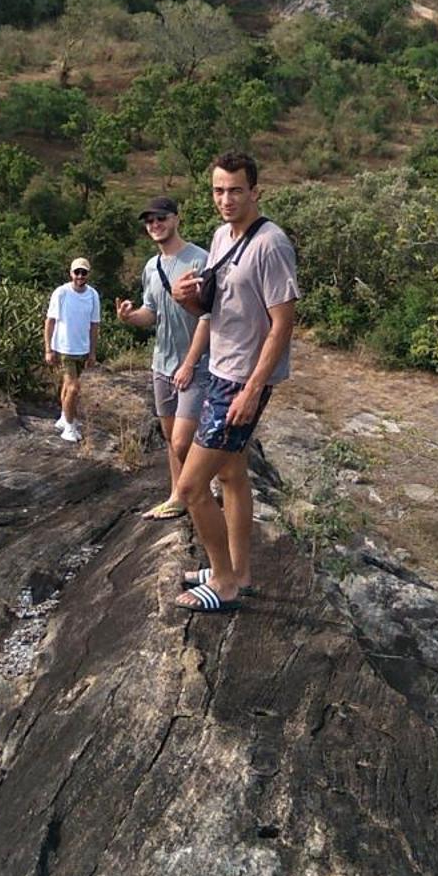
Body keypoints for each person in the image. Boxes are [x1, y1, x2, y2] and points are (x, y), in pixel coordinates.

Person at [171, 152, 298, 611]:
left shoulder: (272, 244)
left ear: (255, 192)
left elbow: (282, 323)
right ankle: (238, 569)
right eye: (218, 190)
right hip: (219, 369)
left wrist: (252, 389)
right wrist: (185, 298)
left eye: (235, 190)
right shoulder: (222, 236)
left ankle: (223, 582)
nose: (225, 199)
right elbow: (214, 309)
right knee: (231, 473)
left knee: (188, 489)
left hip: (241, 381)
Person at [115, 195, 210, 520]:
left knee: (185, 440)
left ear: (176, 219)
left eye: (161, 218)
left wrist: (189, 364)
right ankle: (177, 496)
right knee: (171, 438)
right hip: (161, 364)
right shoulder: (151, 268)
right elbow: (150, 314)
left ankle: (202, 489)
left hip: (196, 366)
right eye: (149, 221)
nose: (155, 225)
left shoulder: (200, 260)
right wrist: (130, 317)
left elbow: (209, 317)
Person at [44, 256, 100, 444]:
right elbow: (50, 321)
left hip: (82, 348)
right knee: (74, 388)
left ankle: (63, 417)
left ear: (88, 274)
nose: (80, 276)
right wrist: (48, 349)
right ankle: (69, 427)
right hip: (65, 348)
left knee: (68, 387)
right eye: (77, 272)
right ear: (71, 273)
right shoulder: (61, 293)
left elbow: (94, 326)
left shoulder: (93, 295)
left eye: (84, 272)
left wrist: (92, 352)